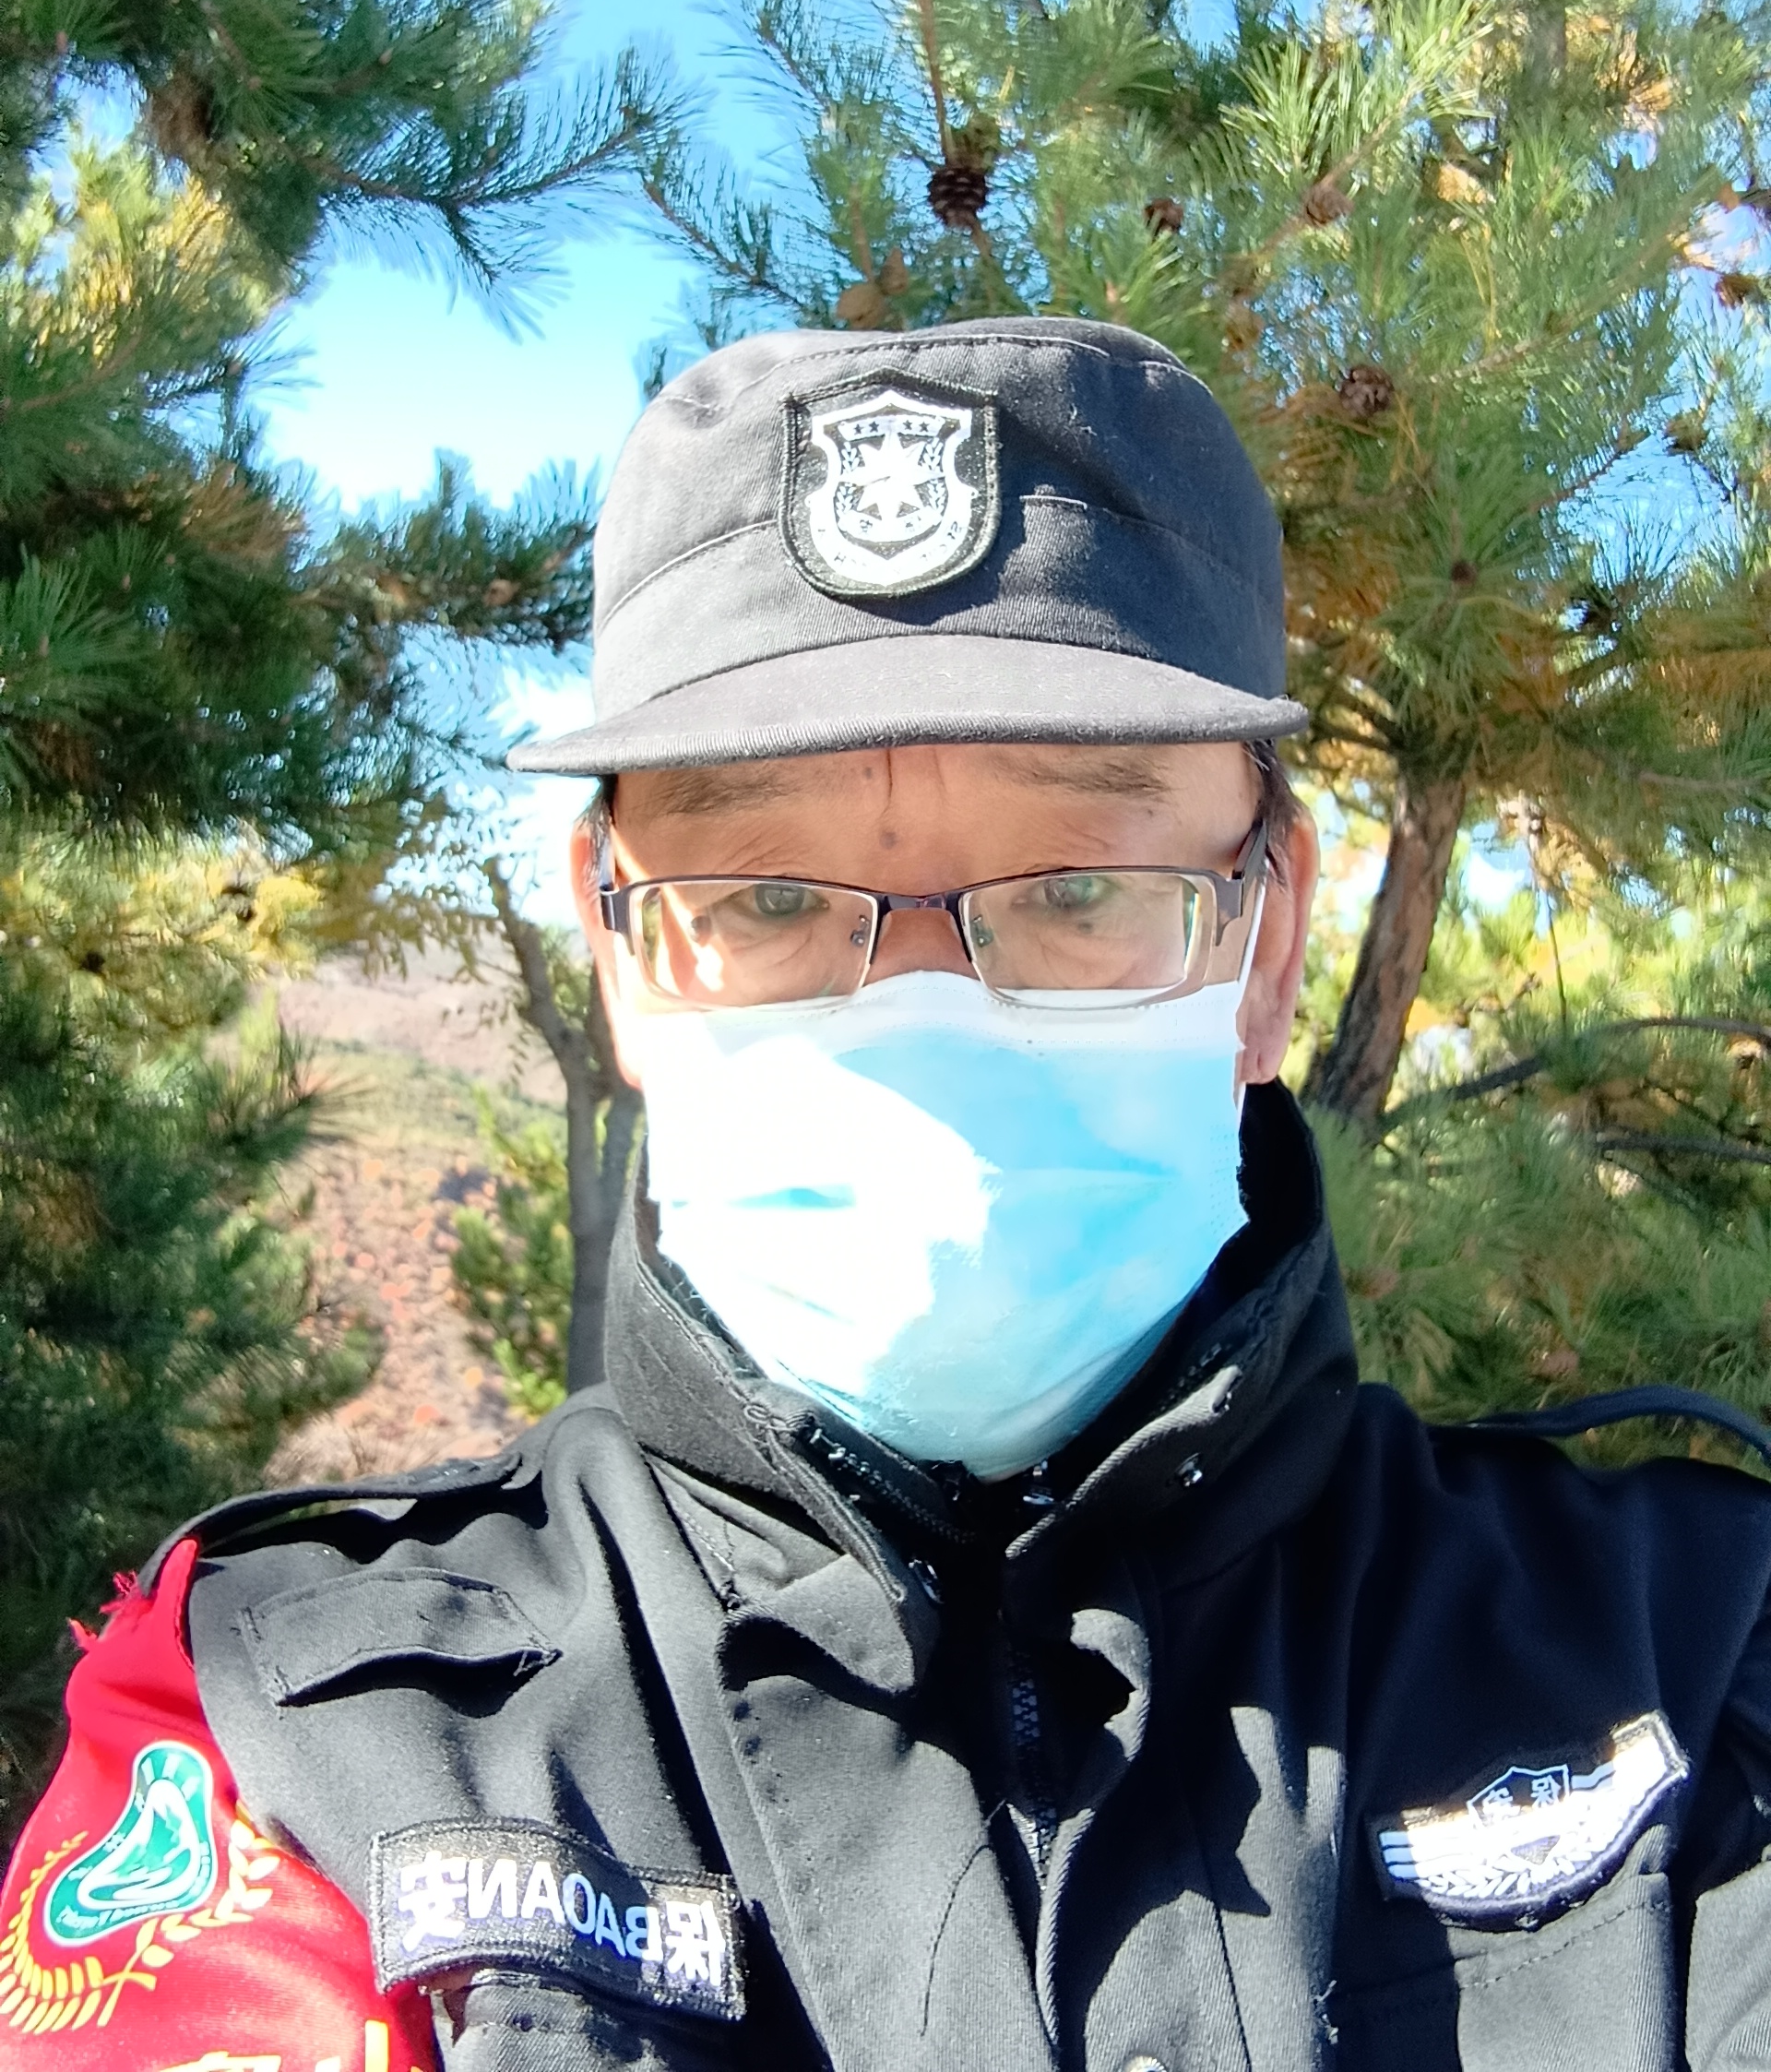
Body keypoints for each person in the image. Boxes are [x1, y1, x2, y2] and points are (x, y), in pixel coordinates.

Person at [6, 319, 1771, 2072]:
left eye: (1077, 885)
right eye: (769, 901)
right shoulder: (294, 1736)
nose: (926, 1028)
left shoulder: (1695, 1667)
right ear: (619, 956)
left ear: (1269, 941)